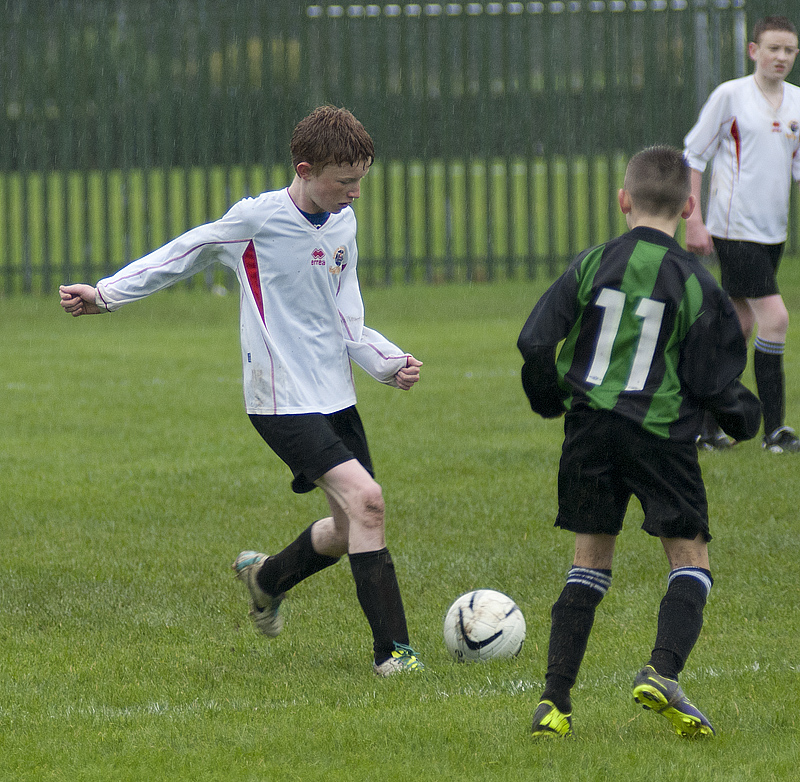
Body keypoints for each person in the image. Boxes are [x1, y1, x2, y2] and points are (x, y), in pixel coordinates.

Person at [59, 105, 425, 677]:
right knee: (369, 501)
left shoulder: (342, 224)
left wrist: (387, 362)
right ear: (305, 170)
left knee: (348, 528)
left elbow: (346, 316)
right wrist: (106, 294)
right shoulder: (257, 220)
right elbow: (185, 252)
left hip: (335, 396)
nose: (355, 193)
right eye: (344, 182)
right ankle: (395, 656)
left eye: (360, 180)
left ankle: (266, 578)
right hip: (280, 399)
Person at [517, 146, 761, 739]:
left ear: (623, 200)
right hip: (660, 437)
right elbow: (712, 379)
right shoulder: (696, 282)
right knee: (690, 559)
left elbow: (535, 341)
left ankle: (553, 702)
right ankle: (662, 671)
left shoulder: (591, 263)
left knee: (588, 563)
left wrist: (550, 399)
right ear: (689, 206)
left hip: (589, 431)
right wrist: (744, 418)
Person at [685, 15, 800, 453]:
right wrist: (693, 220)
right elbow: (694, 155)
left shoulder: (797, 102)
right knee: (776, 318)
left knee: (739, 325)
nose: (781, 57)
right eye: (773, 48)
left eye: (789, 50)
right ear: (754, 50)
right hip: (734, 230)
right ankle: (775, 432)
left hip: (772, 234)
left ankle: (707, 428)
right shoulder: (730, 96)